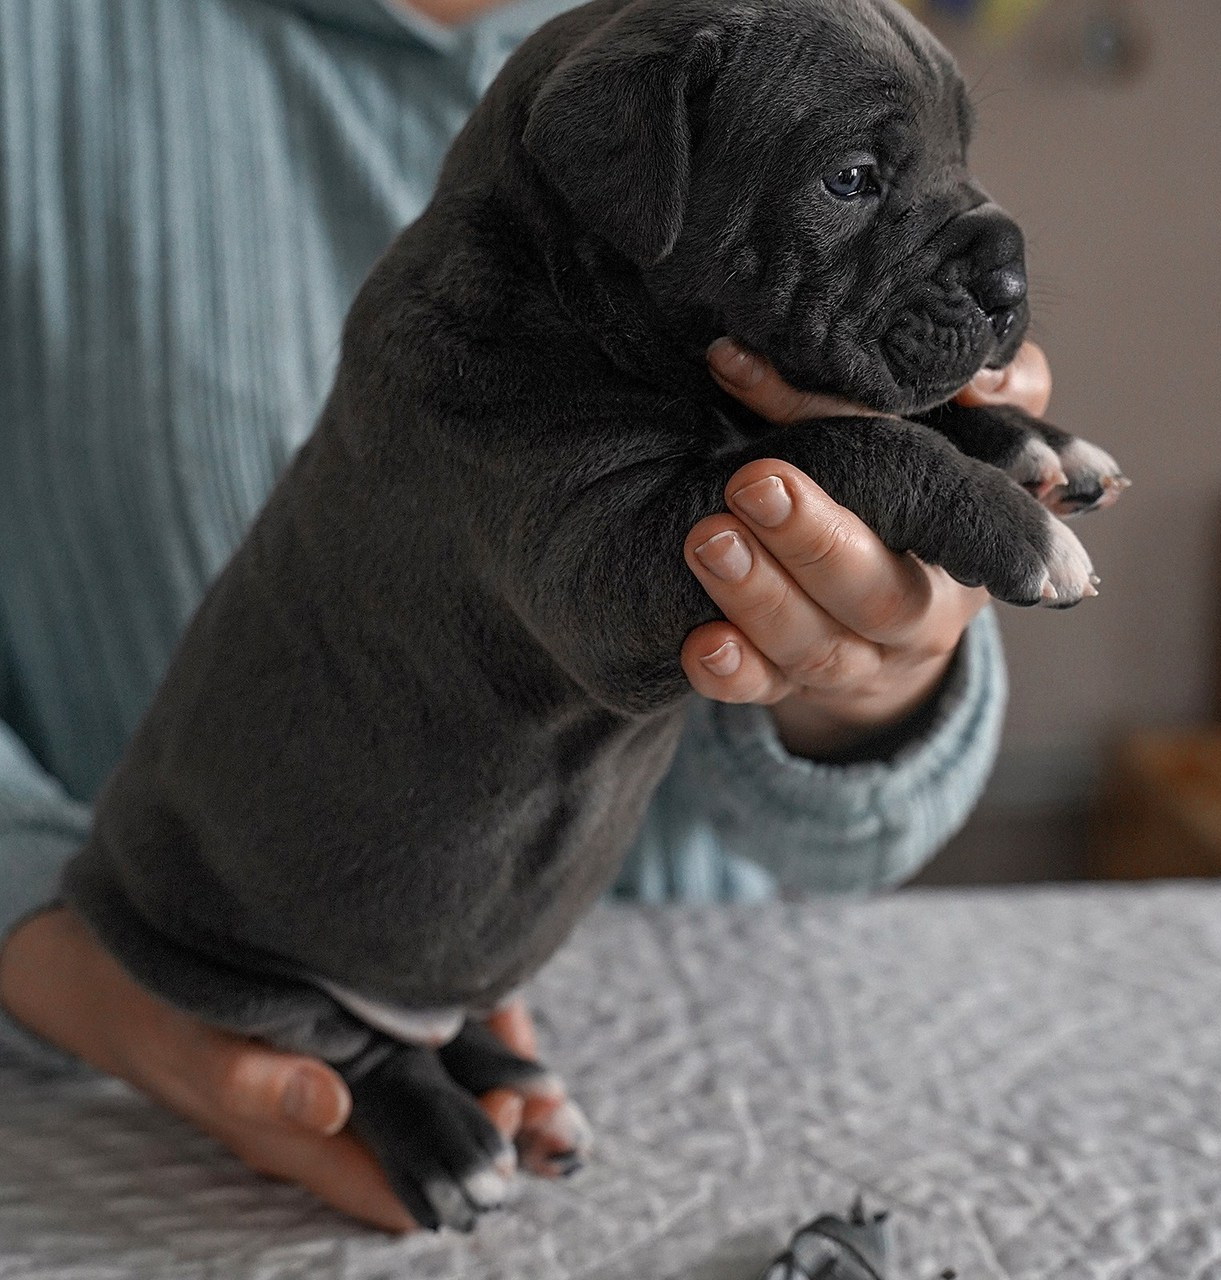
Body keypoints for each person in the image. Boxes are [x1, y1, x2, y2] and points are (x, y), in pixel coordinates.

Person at [0, 0, 1052, 1233]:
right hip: (214, 929)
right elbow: (619, 596)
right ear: (626, 174)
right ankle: (370, 1054)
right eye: (858, 178)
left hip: (687, 998)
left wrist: (883, 674)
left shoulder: (784, 32)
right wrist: (47, 939)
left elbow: (868, 825)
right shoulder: (475, 341)